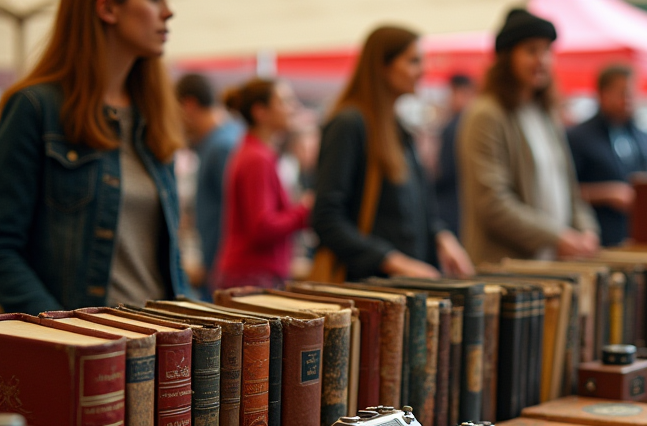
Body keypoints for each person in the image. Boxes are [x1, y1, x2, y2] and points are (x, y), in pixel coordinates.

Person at [0, 0, 187, 314]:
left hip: (163, 340)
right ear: (107, 9)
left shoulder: (154, 118)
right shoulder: (35, 109)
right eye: (154, 0)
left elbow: (169, 260)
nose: (168, 12)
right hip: (88, 349)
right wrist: (66, 330)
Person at [314, 26, 473, 281]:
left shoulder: (396, 127)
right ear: (382, 66)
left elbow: (417, 208)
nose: (422, 71)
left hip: (402, 290)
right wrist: (393, 261)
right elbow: (326, 218)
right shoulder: (350, 124)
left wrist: (441, 237)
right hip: (369, 292)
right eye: (413, 61)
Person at [457, 8, 599, 265]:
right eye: (531, 50)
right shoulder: (487, 115)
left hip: (552, 265)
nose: (541, 60)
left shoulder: (545, 113)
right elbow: (492, 202)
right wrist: (557, 237)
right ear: (507, 57)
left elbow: (570, 189)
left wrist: (587, 231)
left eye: (547, 51)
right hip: (507, 270)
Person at [216, 79, 310, 289]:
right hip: (253, 275)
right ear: (260, 112)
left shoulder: (255, 152)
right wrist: (304, 211)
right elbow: (262, 227)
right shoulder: (257, 158)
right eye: (284, 101)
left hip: (253, 272)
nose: (292, 107)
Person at [567, 64, 647, 246]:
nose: (629, 100)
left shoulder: (645, 139)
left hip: (638, 237)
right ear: (603, 94)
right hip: (598, 237)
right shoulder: (578, 137)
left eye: (632, 93)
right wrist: (607, 194)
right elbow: (566, 190)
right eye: (622, 93)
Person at [176, 72, 243, 284]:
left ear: (189, 104)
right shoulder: (219, 140)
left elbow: (234, 215)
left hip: (222, 271)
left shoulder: (222, 146)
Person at [435, 74, 476, 236]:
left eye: (451, 93)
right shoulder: (470, 124)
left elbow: (445, 172)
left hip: (450, 207)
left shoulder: (453, 127)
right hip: (466, 205)